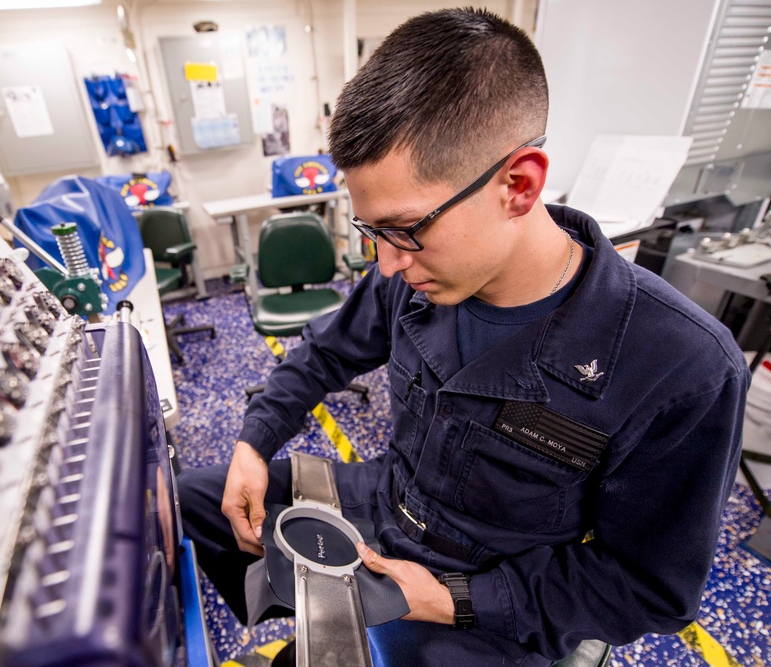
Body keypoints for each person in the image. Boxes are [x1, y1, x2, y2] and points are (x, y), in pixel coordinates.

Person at [178, 8, 749, 665]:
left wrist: (448, 598)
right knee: (192, 499)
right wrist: (254, 440)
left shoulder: (682, 365)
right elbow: (327, 350)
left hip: (495, 590)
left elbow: (646, 588)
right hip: (386, 505)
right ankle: (300, 617)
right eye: (371, 233)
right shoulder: (415, 270)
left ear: (518, 184)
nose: (387, 264)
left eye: (403, 230)